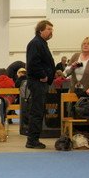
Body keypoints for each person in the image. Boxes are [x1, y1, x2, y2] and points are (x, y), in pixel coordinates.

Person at [25, 20, 55, 149]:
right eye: (48, 29)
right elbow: (33, 64)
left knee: (38, 110)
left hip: (40, 82)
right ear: (40, 30)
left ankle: (34, 138)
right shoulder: (36, 43)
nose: (51, 32)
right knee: (36, 111)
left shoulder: (41, 43)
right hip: (38, 82)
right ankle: (32, 140)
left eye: (52, 29)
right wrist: (43, 76)